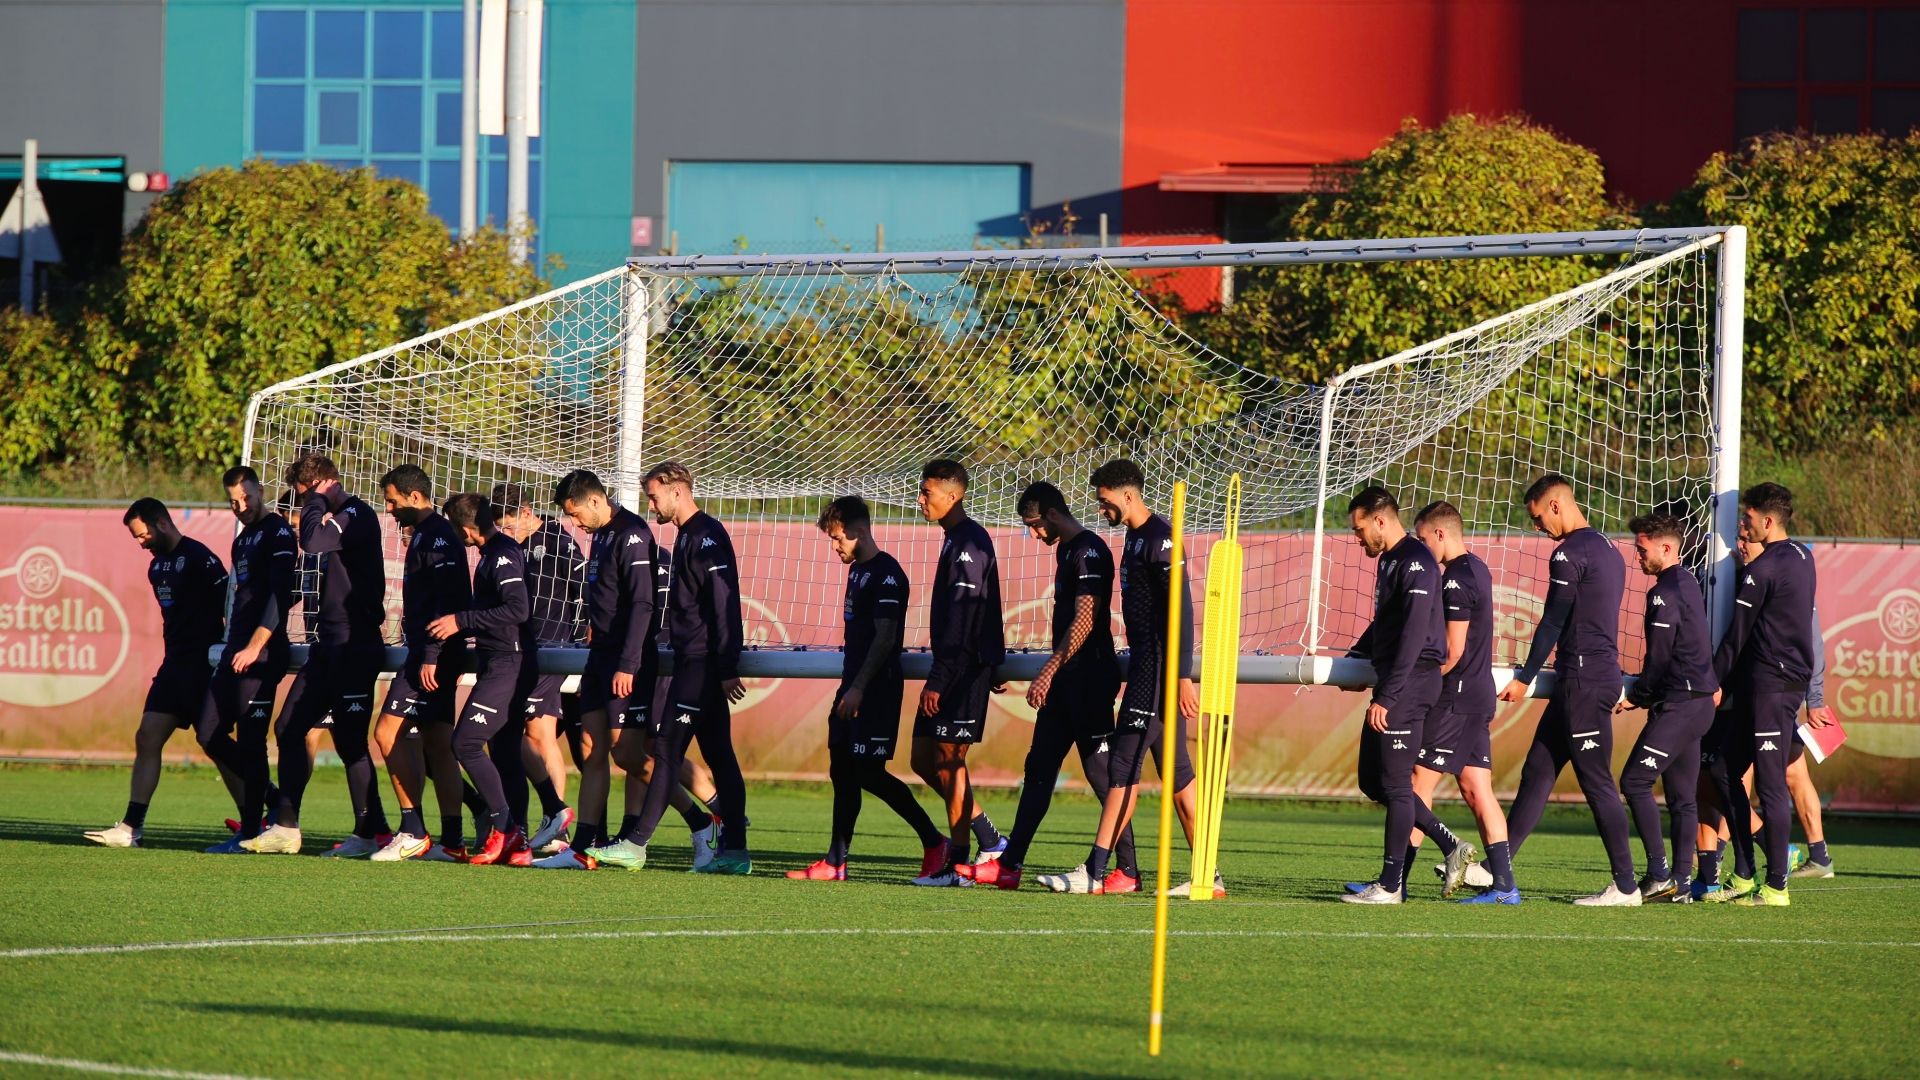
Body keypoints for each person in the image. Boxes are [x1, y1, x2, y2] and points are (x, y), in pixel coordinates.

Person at [595, 462, 753, 873]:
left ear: (677, 490)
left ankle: (636, 842)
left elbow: (723, 603)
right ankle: (734, 849)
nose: (651, 505)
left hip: (701, 664)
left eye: (653, 495)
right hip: (694, 660)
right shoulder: (687, 537)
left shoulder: (706, 536)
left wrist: (726, 664)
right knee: (719, 755)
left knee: (665, 748)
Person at [962, 482, 1121, 892]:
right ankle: (1010, 865)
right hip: (1067, 680)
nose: (1033, 534)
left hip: (1089, 679)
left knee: (1102, 775)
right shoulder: (1066, 550)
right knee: (1038, 769)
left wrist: (1048, 669)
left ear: (1051, 514)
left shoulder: (1089, 551)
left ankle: (1128, 871)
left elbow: (1085, 622)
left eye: (1033, 525)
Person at [1497, 474, 1641, 907]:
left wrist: (1525, 676)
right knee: (1538, 771)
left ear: (1556, 506)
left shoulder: (1569, 553)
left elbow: (1553, 621)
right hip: (1581, 678)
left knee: (1597, 782)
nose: (1538, 527)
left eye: (1538, 517)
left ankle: (1627, 885)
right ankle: (1497, 865)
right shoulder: (1607, 547)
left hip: (1583, 680)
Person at [787, 496, 949, 881]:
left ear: (859, 532)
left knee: (869, 772)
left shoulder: (887, 574)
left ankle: (934, 841)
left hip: (875, 690)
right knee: (841, 769)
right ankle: (835, 862)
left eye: (838, 538)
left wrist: (858, 688)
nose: (834, 545)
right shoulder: (857, 571)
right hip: (852, 685)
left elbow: (885, 637)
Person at [248, 453, 391, 857]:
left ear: (322, 485)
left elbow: (311, 541)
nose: (302, 507)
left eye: (304, 495)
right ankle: (286, 827)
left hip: (355, 647)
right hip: (325, 647)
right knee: (290, 725)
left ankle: (370, 831)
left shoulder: (356, 513)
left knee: (350, 741)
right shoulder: (333, 515)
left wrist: (315, 501)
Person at [1087, 459, 1210, 897]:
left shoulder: (1160, 539)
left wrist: (1181, 677)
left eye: (1105, 502)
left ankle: (1096, 872)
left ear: (1127, 495)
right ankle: (1207, 875)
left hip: (1157, 671)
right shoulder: (1135, 538)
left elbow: (1183, 611)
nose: (1102, 510)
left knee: (1121, 766)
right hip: (1144, 664)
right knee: (1178, 779)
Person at [84, 500, 237, 848]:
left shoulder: (199, 557)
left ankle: (263, 811)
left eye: (143, 534)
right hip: (174, 665)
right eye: (136, 538)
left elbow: (231, 604)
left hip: (203, 666)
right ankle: (131, 828)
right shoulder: (157, 567)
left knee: (216, 744)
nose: (141, 543)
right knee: (148, 736)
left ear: (162, 523)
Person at [1706, 483, 1817, 906]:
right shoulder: (1804, 555)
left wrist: (1711, 683)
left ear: (1768, 521)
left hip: (1774, 687)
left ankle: (1777, 886)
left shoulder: (1763, 569)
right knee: (1721, 769)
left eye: (1747, 519)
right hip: (1765, 685)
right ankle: (1746, 873)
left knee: (1770, 785)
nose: (1742, 526)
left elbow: (1736, 639)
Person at [411, 493, 533, 865]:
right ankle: (519, 843)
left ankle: (505, 828)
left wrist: (460, 622)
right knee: (505, 753)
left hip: (508, 664)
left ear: (466, 529)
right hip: (495, 662)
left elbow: (518, 608)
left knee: (464, 743)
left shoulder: (501, 555)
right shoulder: (490, 554)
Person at [1409, 500, 1520, 905]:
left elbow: (1453, 652)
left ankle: (1395, 881)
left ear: (1441, 534)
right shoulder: (1478, 567)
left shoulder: (1455, 578)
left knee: (1415, 782)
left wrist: (1411, 680)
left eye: (1424, 539)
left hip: (1456, 696)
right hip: (1477, 693)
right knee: (1476, 788)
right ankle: (1505, 886)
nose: (1422, 549)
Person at [1340, 487, 1445, 905]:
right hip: (1396, 682)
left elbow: (1414, 636)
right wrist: (1356, 656)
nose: (1357, 537)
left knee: (1398, 784)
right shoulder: (1389, 561)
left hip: (1412, 681)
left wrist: (1388, 695)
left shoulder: (1418, 561)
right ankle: (1451, 845)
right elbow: (1385, 624)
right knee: (1373, 780)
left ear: (1380, 521)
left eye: (1359, 528)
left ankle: (1389, 885)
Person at [370, 464, 477, 861]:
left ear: (415, 497)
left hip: (432, 655)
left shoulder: (437, 535)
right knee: (437, 745)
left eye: (393, 502)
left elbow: (449, 600)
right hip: (432, 653)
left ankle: (412, 829)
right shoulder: (427, 534)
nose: (391, 510)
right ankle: (452, 841)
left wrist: (430, 654)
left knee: (386, 733)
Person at [909, 459, 1008, 886]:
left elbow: (966, 619)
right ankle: (990, 839)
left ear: (954, 495)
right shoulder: (954, 540)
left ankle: (958, 866)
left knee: (950, 762)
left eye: (927, 492)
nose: (920, 500)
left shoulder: (970, 542)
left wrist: (940, 677)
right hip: (951, 667)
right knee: (923, 760)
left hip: (962, 671)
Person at [1614, 511, 1719, 903]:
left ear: (1666, 547)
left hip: (1682, 704)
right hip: (1696, 702)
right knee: (1682, 797)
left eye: (1642, 550)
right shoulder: (1686, 581)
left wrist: (1636, 696)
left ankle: (1659, 873)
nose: (1637, 556)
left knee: (1635, 781)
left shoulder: (1664, 591)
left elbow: (1658, 661)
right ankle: (1680, 882)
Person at [197, 467, 298, 855]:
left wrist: (256, 644)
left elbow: (280, 594)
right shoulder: (243, 541)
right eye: (233, 502)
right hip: (235, 650)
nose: (240, 506)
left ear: (259, 491)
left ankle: (252, 831)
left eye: (246, 498)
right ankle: (273, 800)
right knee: (208, 732)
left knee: (252, 743)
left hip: (262, 653)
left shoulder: (277, 532)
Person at [493, 482, 587, 854]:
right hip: (519, 650)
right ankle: (525, 820)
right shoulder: (511, 547)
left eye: (510, 523)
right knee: (515, 735)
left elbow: (582, 589)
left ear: (528, 512)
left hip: (551, 651)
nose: (506, 531)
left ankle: (556, 827)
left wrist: (577, 640)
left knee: (539, 734)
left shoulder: (558, 542)